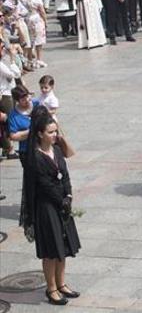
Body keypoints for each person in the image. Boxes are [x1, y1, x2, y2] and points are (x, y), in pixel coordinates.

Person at [20, 112, 81, 305]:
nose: (55, 135)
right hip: (47, 207)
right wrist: (61, 200)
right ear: (39, 134)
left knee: (63, 246)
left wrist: (69, 195)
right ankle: (51, 288)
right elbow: (44, 184)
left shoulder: (56, 150)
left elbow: (65, 174)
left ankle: (62, 284)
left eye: (55, 131)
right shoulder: (35, 158)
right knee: (51, 250)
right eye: (50, 132)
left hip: (62, 203)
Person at [21, 0, 49, 64]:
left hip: (26, 19)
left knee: (29, 39)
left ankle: (30, 59)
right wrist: (45, 20)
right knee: (39, 40)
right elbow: (42, 11)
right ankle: (39, 59)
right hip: (36, 18)